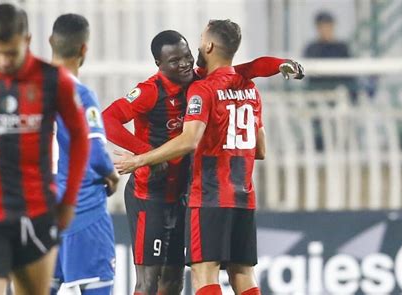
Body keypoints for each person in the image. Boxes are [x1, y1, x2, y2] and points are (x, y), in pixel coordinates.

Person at [102, 29, 303, 294]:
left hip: (187, 195)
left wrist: (279, 65)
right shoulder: (150, 91)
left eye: (186, 56)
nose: (185, 63)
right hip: (151, 195)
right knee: (148, 280)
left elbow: (250, 68)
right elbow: (107, 119)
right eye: (174, 61)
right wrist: (147, 154)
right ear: (158, 64)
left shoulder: (201, 80)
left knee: (174, 278)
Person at [0, 4, 89, 295]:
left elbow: (79, 137)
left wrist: (69, 200)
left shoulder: (52, 80)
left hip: (36, 212)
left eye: (11, 53)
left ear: (27, 40)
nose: (4, 60)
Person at [49, 14, 120, 295]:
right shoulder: (80, 95)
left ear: (51, 42)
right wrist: (111, 174)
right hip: (82, 212)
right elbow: (94, 153)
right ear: (83, 50)